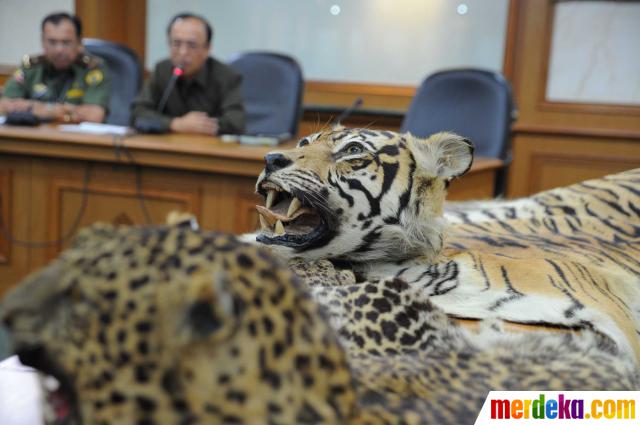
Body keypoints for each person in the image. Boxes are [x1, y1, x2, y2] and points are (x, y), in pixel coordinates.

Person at [131, 13, 245, 135]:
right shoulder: (161, 70)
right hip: (168, 147)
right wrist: (175, 123)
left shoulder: (226, 76)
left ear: (207, 49)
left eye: (192, 45)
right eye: (176, 43)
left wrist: (200, 125)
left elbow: (236, 122)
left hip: (208, 148)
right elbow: (138, 113)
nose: (183, 52)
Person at [0, 12, 111, 123]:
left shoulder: (93, 69)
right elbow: (3, 105)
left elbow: (94, 116)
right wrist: (61, 110)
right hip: (35, 135)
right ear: (43, 42)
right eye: (52, 42)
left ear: (79, 43)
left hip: (76, 137)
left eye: (66, 42)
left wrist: (36, 108)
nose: (59, 50)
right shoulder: (31, 67)